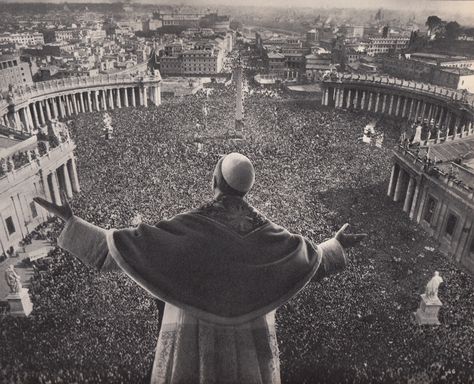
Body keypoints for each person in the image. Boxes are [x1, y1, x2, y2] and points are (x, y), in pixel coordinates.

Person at [34, 152, 367, 384]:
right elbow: (308, 260)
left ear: (215, 179)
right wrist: (335, 244)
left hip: (193, 335)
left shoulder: (189, 227)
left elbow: (117, 250)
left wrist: (71, 221)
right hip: (250, 340)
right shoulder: (271, 234)